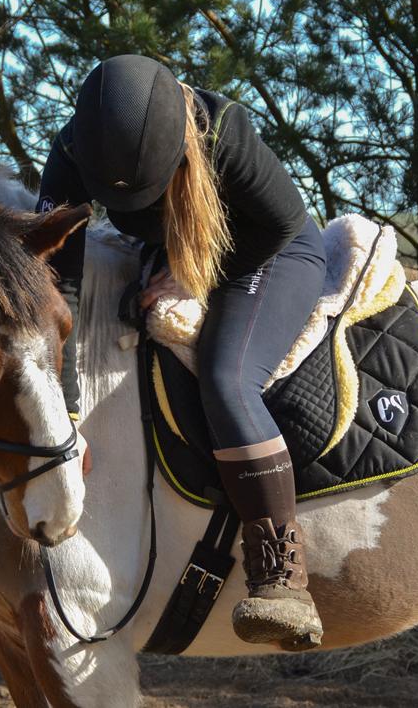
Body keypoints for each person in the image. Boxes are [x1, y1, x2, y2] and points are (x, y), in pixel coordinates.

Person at [36, 55, 326, 650]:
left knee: (226, 379)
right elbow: (55, 285)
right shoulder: (70, 154)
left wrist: (196, 273)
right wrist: (61, 409)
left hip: (267, 253)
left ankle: (281, 575)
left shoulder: (224, 131)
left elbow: (280, 223)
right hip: (173, 250)